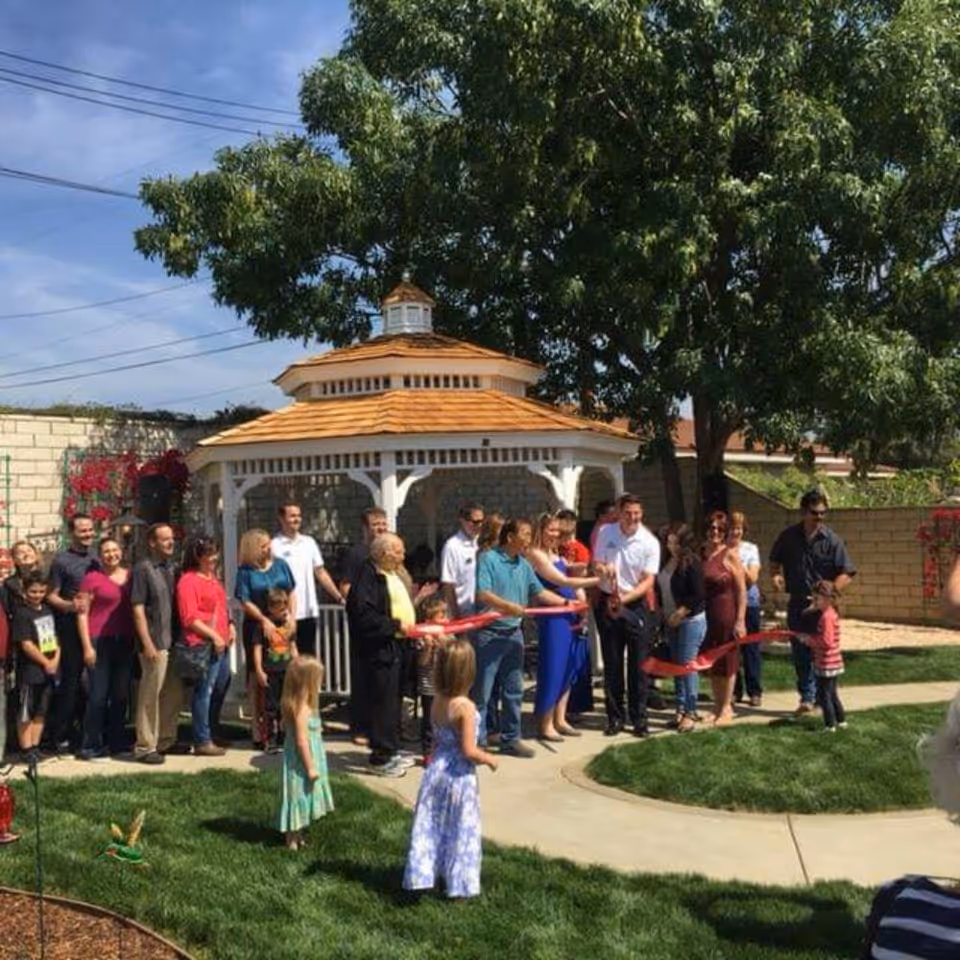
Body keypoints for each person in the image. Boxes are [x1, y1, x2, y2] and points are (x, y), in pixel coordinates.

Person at [403, 638, 498, 899]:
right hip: (458, 776)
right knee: (460, 828)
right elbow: (468, 750)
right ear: (468, 672)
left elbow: (436, 737)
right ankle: (460, 884)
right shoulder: (465, 708)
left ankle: (427, 874)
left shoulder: (437, 701)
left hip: (436, 771)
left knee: (434, 823)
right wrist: (488, 758)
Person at [473, 518, 569, 757]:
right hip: (490, 635)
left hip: (514, 634)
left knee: (514, 690)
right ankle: (477, 743)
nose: (529, 539)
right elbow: (483, 593)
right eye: (525, 534)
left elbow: (540, 591)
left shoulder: (524, 565)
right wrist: (508, 606)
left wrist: (568, 603)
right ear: (510, 537)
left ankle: (510, 740)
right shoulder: (488, 559)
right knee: (482, 694)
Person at [769, 489, 856, 715]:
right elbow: (774, 561)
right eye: (814, 512)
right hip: (798, 603)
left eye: (823, 513)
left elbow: (847, 572)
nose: (819, 517)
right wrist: (776, 576)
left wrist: (832, 590)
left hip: (822, 608)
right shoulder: (788, 536)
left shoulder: (831, 540)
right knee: (800, 652)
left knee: (823, 651)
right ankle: (806, 698)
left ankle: (822, 698)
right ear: (803, 511)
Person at [345, 533, 417, 777]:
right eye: (398, 551)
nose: (403, 555)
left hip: (398, 647)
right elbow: (365, 618)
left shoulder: (392, 574)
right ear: (384, 553)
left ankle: (392, 747)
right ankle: (380, 758)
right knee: (382, 703)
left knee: (394, 701)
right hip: (379, 651)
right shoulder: (367, 579)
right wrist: (396, 626)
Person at [592, 494, 660, 738]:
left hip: (635, 604)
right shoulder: (605, 532)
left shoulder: (649, 542)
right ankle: (615, 718)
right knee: (612, 663)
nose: (633, 518)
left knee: (639, 665)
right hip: (608, 602)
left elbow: (648, 581)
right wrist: (602, 569)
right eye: (628, 513)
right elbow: (596, 563)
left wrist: (625, 600)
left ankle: (639, 719)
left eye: (637, 514)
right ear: (619, 512)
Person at [526, 512, 598, 741]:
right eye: (550, 530)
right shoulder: (536, 555)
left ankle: (560, 717)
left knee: (569, 666)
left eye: (557, 530)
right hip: (553, 617)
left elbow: (571, 568)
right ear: (541, 530)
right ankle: (545, 722)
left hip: (570, 614)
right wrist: (597, 580)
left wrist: (598, 567)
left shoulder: (555, 553)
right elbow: (562, 580)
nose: (555, 534)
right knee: (553, 667)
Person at [235, 529, 296, 748]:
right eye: (262, 545)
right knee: (257, 677)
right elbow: (244, 599)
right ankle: (258, 730)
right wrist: (263, 620)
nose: (268, 548)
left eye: (268, 543)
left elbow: (291, 592)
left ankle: (283, 727)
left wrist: (292, 618)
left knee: (283, 674)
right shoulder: (245, 571)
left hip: (282, 624)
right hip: (256, 626)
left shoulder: (280, 565)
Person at [176, 536, 235, 757]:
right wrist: (213, 636)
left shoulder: (213, 579)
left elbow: (222, 607)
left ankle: (212, 729)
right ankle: (202, 739)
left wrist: (230, 625)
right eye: (209, 554)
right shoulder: (188, 581)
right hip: (203, 644)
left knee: (221, 684)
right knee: (205, 690)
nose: (214, 558)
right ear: (197, 556)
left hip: (221, 642)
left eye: (215, 553)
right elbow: (189, 617)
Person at [131, 523, 184, 765]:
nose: (170, 542)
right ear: (152, 542)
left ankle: (165, 740)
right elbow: (138, 609)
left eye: (171, 538)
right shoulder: (143, 569)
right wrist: (147, 643)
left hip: (174, 641)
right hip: (155, 641)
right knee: (150, 694)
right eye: (165, 539)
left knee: (172, 693)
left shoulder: (172, 568)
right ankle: (144, 746)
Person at [76, 538, 134, 761]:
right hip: (99, 640)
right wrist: (87, 647)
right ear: (100, 556)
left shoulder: (129, 576)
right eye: (106, 551)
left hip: (125, 640)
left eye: (115, 550)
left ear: (122, 551)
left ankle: (117, 742)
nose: (111, 554)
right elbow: (82, 614)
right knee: (98, 696)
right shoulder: (91, 579)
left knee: (120, 695)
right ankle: (90, 745)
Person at [46, 514, 97, 752]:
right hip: (70, 627)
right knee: (72, 682)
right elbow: (51, 595)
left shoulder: (98, 558)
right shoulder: (61, 561)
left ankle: (90, 733)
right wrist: (70, 605)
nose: (88, 534)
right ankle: (61, 736)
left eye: (90, 530)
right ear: (72, 533)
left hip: (97, 626)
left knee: (96, 684)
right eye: (82, 531)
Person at [271, 501, 344, 659]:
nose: (296, 519)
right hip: (283, 613)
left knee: (306, 656)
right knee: (283, 656)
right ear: (281, 518)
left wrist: (338, 596)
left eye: (298, 515)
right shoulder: (273, 545)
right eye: (292, 516)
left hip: (307, 611)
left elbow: (320, 572)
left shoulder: (309, 542)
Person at [341, 506, 389, 744]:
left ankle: (384, 727)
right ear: (365, 528)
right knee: (362, 677)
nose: (380, 528)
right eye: (375, 524)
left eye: (383, 523)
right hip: (364, 626)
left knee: (383, 680)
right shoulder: (357, 554)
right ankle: (359, 727)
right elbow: (346, 587)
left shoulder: (388, 552)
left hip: (385, 625)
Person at [276, 655, 334, 851]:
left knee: (303, 795)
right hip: (301, 762)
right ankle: (291, 838)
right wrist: (310, 767)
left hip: (303, 758)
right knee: (297, 794)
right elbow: (301, 741)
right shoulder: (302, 710)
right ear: (307, 683)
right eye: (318, 680)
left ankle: (298, 834)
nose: (320, 684)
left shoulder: (300, 705)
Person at [656, 523, 707, 733]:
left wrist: (680, 613)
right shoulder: (667, 561)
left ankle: (690, 712)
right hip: (671, 620)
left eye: (676, 542)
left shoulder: (692, 563)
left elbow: (698, 595)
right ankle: (679, 709)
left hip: (689, 620)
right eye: (669, 542)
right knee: (676, 666)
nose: (672, 546)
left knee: (687, 666)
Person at [701, 511, 747, 727]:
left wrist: (740, 620)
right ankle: (717, 705)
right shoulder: (702, 554)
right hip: (706, 615)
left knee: (728, 661)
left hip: (726, 614)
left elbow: (742, 591)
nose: (715, 533)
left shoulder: (730, 555)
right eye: (712, 528)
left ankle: (727, 707)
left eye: (720, 529)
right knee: (713, 660)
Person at [13, 570, 59, 766]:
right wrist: (45, 662)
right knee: (26, 711)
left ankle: (36, 746)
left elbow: (55, 639)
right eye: (33, 591)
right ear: (24, 592)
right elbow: (27, 644)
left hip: (49, 669)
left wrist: (56, 658)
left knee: (41, 710)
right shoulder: (22, 614)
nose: (37, 595)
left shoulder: (47, 611)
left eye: (41, 591)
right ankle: (26, 748)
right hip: (31, 670)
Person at [253, 587, 298, 751]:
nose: (283, 613)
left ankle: (283, 736)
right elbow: (257, 649)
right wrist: (259, 670)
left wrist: (297, 665)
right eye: (280, 610)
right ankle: (270, 739)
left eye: (285, 609)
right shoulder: (263, 627)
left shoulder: (288, 626)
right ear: (270, 608)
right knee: (270, 707)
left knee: (285, 706)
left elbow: (293, 647)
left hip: (286, 671)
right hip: (270, 671)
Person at [800, 582, 846, 732]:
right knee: (832, 694)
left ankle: (829, 725)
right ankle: (841, 721)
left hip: (826, 663)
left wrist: (808, 640)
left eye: (817, 599)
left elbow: (826, 642)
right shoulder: (831, 613)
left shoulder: (826, 617)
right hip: (834, 662)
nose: (815, 601)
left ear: (828, 599)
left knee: (823, 696)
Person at [729, 511, 763, 707]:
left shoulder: (750, 549)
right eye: (733, 528)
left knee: (751, 648)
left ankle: (755, 690)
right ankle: (735, 690)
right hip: (728, 603)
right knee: (731, 649)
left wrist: (736, 564)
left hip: (749, 603)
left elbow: (752, 578)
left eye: (739, 528)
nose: (736, 532)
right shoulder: (721, 548)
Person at [414, 594, 450, 757]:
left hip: (446, 685)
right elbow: (421, 662)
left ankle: (443, 747)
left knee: (445, 719)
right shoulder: (423, 638)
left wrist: (444, 644)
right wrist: (428, 647)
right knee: (429, 720)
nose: (446, 619)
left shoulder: (448, 636)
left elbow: (453, 656)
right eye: (442, 616)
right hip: (429, 686)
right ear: (429, 621)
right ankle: (428, 751)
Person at [440, 503, 484, 619]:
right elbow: (449, 584)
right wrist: (456, 617)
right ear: (462, 521)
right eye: (474, 522)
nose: (479, 526)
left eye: (481, 521)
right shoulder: (452, 546)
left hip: (484, 614)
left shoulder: (484, 543)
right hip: (464, 614)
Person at [556, 508, 591, 576]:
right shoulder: (553, 546)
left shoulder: (579, 548)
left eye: (566, 534)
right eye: (560, 534)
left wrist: (569, 566)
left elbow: (584, 565)